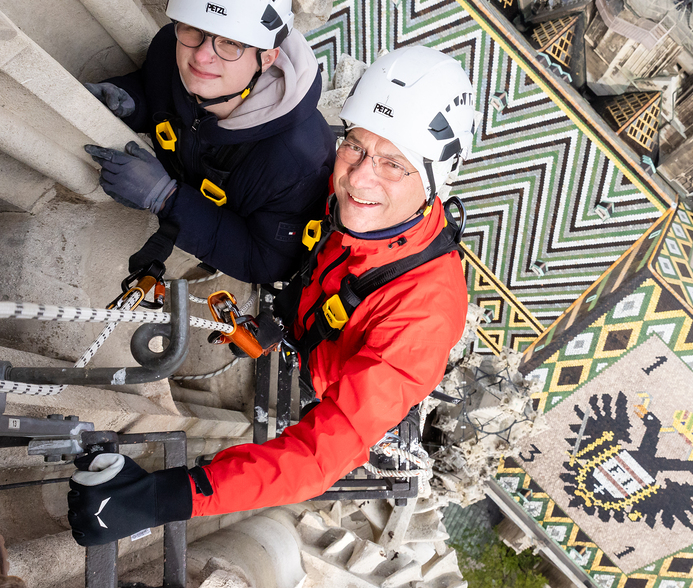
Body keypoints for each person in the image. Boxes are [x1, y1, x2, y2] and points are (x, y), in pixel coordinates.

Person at [66, 45, 478, 546]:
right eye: (355, 146)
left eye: (393, 164)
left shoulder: (424, 315)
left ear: (435, 180)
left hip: (338, 377)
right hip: (308, 326)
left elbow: (320, 456)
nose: (358, 177)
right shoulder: (355, 205)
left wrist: (164, 497)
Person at [83, 0, 336, 284]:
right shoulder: (169, 46)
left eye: (230, 42)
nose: (202, 56)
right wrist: (131, 100)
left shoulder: (298, 160)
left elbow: (267, 261)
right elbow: (159, 92)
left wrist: (167, 200)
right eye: (195, 30)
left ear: (267, 58)